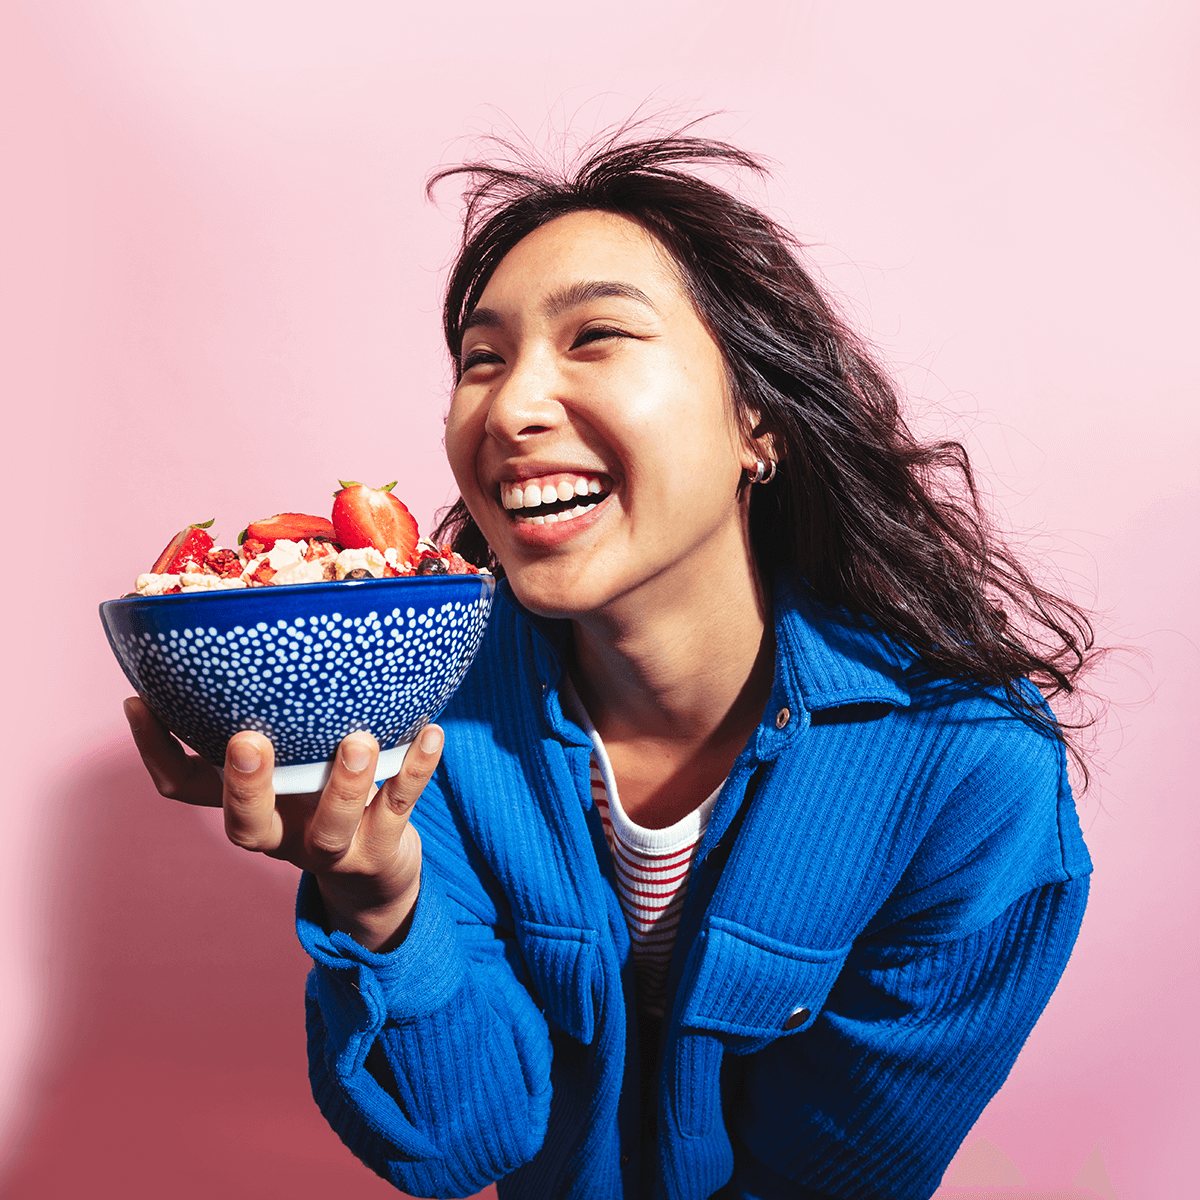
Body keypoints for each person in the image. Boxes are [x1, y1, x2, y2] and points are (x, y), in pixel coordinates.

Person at [125, 131, 1096, 1199]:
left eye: (595, 337)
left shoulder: (970, 775)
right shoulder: (417, 715)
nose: (510, 406)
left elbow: (837, 1176)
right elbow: (460, 1148)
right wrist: (375, 898)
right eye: (481, 360)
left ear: (757, 422)